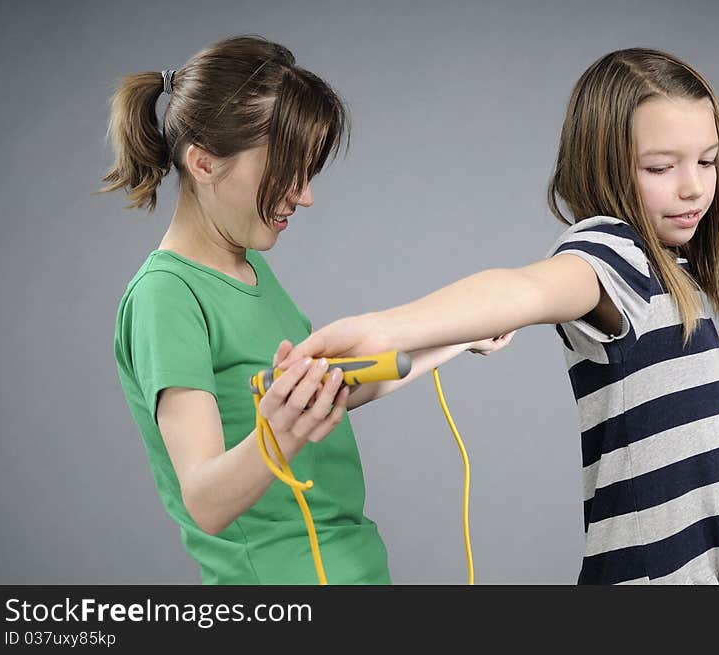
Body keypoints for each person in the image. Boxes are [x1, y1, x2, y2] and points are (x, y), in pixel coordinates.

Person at [282, 48, 719, 585]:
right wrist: (386, 328)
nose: (694, 186)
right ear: (604, 163)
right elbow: (523, 288)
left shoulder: (673, 269)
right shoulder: (614, 251)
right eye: (661, 167)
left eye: (707, 160)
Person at [104, 35, 512, 584]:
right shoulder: (166, 295)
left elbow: (327, 393)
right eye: (287, 170)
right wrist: (282, 430)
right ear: (203, 163)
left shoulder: (249, 269)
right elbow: (203, 500)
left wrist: (460, 337)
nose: (305, 195)